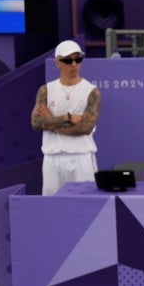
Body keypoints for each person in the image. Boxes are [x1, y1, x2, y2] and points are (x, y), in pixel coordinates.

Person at [30, 40, 101, 196]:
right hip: (52, 159)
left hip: (81, 158)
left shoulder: (92, 92)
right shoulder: (46, 90)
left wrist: (50, 122)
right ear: (58, 63)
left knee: (84, 207)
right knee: (51, 208)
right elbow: (35, 123)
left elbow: (84, 128)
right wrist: (67, 118)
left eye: (78, 59)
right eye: (68, 60)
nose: (74, 64)